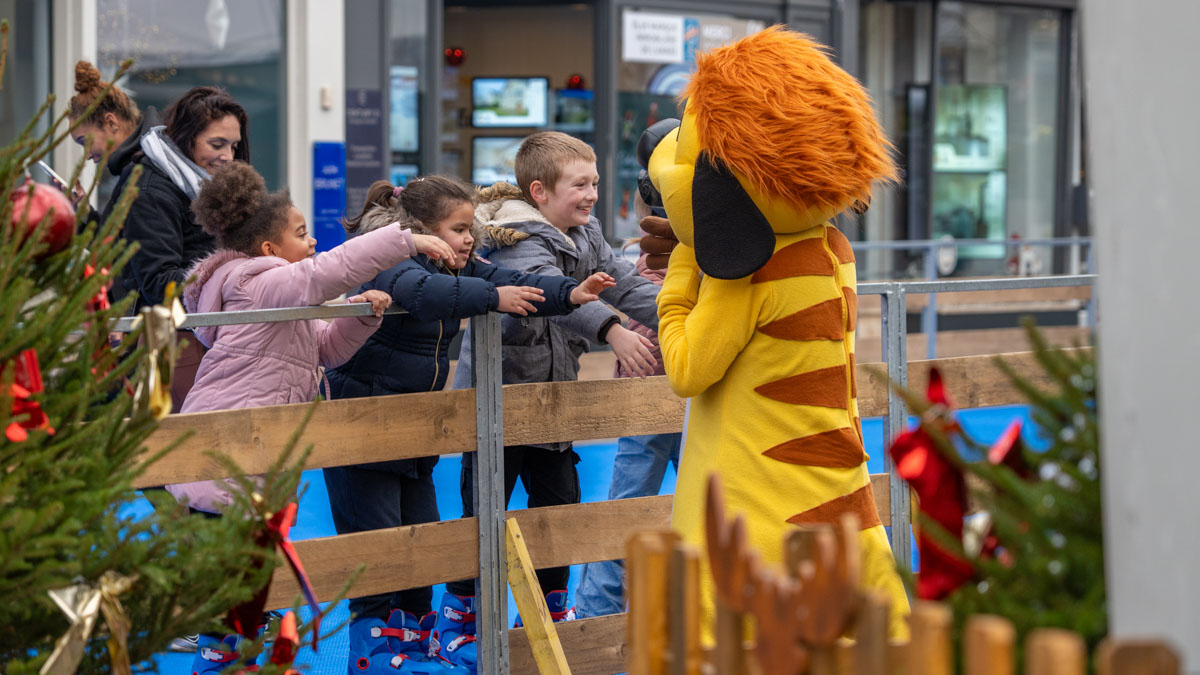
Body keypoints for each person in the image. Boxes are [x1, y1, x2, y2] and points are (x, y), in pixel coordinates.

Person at [162, 161, 454, 673]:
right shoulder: (256, 281)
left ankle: (235, 652)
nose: (313, 240)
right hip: (229, 450)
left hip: (256, 453)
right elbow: (324, 273)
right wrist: (404, 240)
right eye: (301, 234)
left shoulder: (277, 297)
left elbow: (324, 349)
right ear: (269, 250)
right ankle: (219, 658)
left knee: (250, 564)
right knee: (228, 566)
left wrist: (361, 314)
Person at [324, 175, 613, 673]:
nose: (468, 241)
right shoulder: (386, 259)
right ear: (420, 229)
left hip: (414, 428)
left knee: (423, 540)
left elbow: (507, 279)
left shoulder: (452, 263)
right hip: (363, 426)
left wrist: (570, 294)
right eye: (459, 230)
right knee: (378, 544)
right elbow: (429, 294)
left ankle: (413, 641)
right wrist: (493, 298)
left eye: (471, 231)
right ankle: (373, 651)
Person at [443, 131, 661, 671]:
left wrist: (681, 314)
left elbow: (624, 283)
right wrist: (612, 330)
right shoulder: (518, 236)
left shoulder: (586, 233)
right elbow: (546, 291)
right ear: (539, 191)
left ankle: (550, 614)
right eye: (579, 185)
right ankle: (462, 619)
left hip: (552, 405)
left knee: (559, 511)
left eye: (595, 183)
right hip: (499, 408)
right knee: (484, 513)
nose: (592, 195)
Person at [574, 197, 681, 620]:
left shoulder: (648, 261)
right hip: (663, 393)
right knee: (632, 504)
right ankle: (595, 610)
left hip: (659, 391)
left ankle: (595, 609)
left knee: (630, 505)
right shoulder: (671, 261)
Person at [113, 86, 250, 411]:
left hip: (202, 337)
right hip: (171, 344)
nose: (228, 156)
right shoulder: (151, 190)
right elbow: (159, 282)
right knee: (185, 439)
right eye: (216, 144)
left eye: (233, 146)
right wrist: (231, 281)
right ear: (186, 138)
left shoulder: (201, 182)